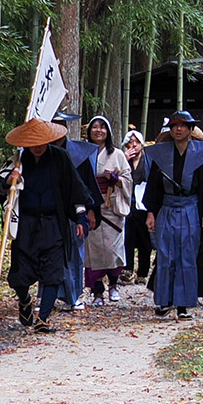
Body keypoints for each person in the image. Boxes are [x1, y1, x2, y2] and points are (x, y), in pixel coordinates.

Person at [0, 118, 95, 331]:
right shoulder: (18, 159)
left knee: (53, 271)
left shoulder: (60, 157)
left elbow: (75, 189)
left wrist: (80, 218)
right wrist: (10, 180)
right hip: (26, 224)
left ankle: (43, 319)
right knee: (20, 274)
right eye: (34, 143)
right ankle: (24, 301)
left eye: (42, 142)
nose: (38, 147)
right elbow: (0, 186)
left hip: (53, 223)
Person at [137, 109, 203, 317]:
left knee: (187, 255)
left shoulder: (201, 155)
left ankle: (184, 304)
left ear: (191, 129)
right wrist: (151, 213)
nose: (178, 129)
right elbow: (154, 187)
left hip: (190, 209)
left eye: (183, 125)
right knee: (165, 254)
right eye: (175, 125)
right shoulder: (162, 155)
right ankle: (164, 301)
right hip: (166, 208)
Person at [79, 116, 133, 304]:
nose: (99, 131)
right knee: (93, 250)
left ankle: (113, 285)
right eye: (95, 127)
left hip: (112, 205)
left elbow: (128, 178)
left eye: (103, 127)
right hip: (92, 205)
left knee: (113, 249)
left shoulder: (117, 154)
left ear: (108, 132)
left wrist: (116, 180)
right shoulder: (84, 153)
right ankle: (97, 291)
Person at [55, 112, 93, 309]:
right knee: (49, 253)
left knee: (75, 253)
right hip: (50, 211)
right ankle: (48, 294)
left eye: (60, 125)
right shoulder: (40, 151)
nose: (57, 128)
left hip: (74, 211)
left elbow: (87, 186)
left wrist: (90, 211)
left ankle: (74, 294)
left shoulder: (79, 153)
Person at [121, 129, 154, 284]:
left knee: (144, 240)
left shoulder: (148, 160)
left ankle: (142, 272)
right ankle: (127, 269)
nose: (133, 145)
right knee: (127, 238)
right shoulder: (123, 159)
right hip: (127, 203)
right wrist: (124, 159)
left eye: (136, 142)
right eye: (130, 142)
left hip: (143, 204)